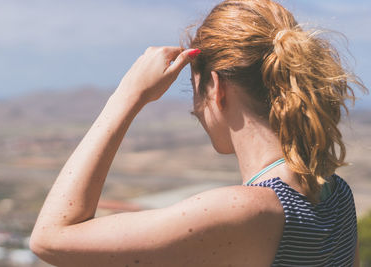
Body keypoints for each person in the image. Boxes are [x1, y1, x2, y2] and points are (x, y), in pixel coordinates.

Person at [30, 0, 368, 266]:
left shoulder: (246, 211)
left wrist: (127, 96)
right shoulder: (336, 195)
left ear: (217, 88)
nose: (194, 108)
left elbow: (50, 238)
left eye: (194, 89)